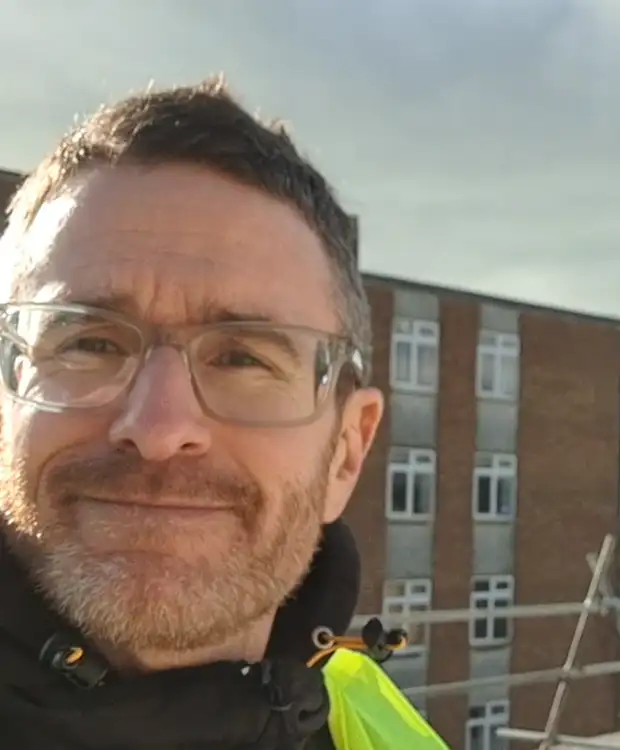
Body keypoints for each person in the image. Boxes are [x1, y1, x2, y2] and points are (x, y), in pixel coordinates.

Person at [0, 77, 448, 749]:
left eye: (243, 359)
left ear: (348, 454)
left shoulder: (376, 726)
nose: (157, 430)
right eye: (88, 342)